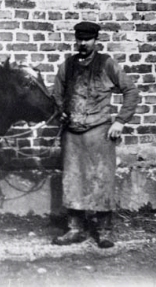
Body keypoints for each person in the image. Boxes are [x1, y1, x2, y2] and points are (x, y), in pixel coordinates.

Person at [52, 21, 140, 248]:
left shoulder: (106, 64)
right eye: (79, 39)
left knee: (102, 179)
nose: (82, 43)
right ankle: (75, 229)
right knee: (72, 179)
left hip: (100, 132)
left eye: (87, 39)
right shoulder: (67, 65)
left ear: (95, 40)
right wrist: (60, 111)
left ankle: (105, 231)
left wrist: (120, 121)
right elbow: (57, 94)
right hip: (73, 133)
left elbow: (131, 91)